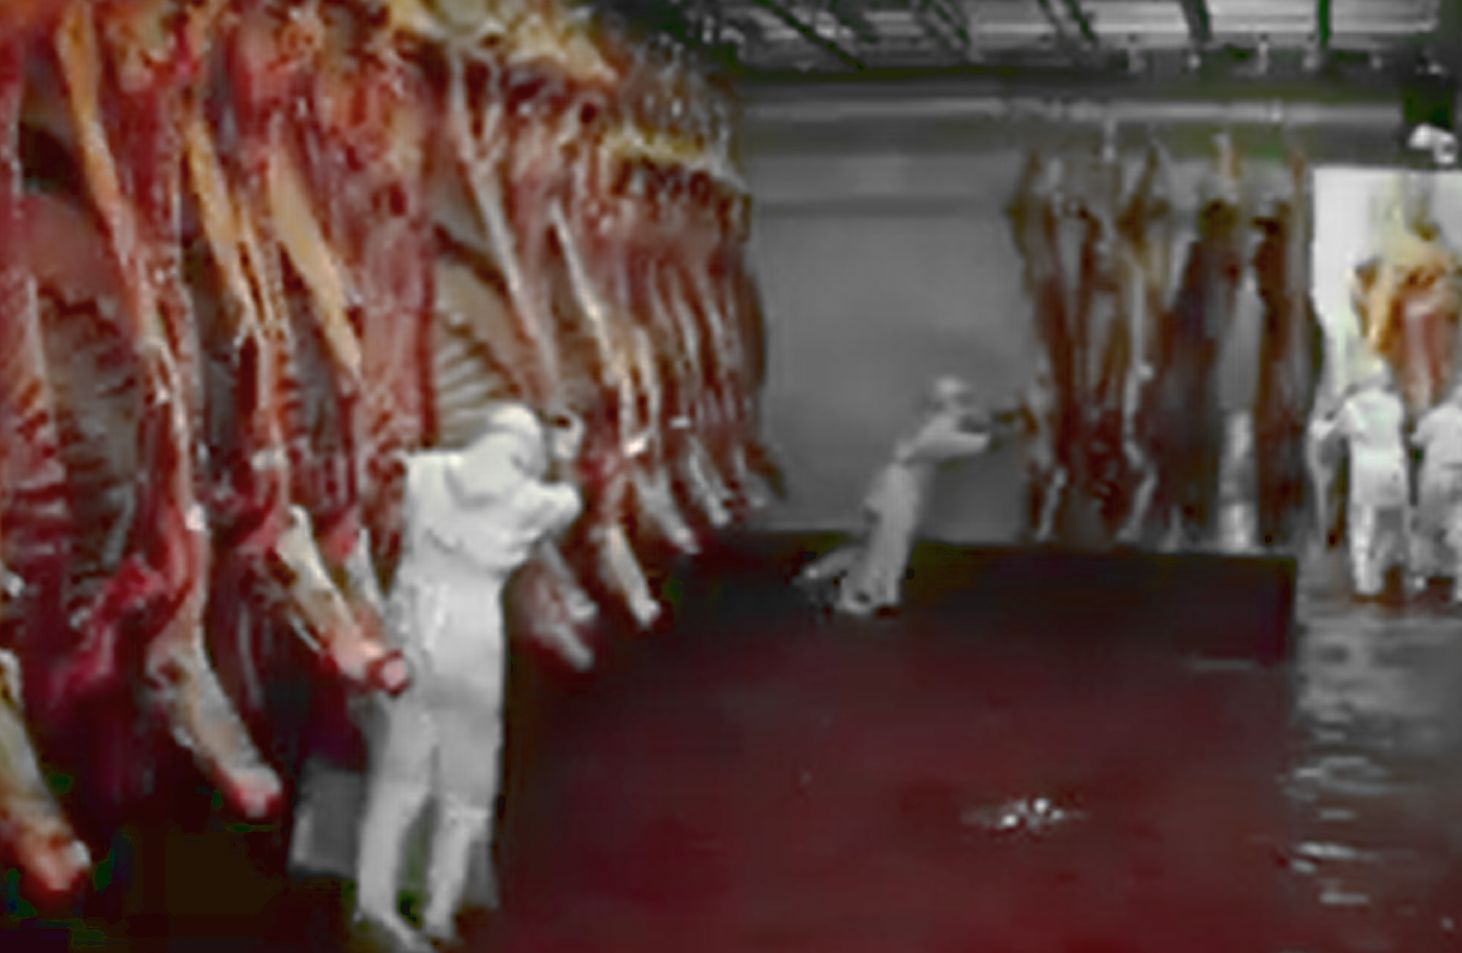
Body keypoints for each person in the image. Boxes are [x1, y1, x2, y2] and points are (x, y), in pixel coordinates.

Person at [353, 403, 584, 951]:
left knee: (399, 778)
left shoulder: (427, 473)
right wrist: (566, 454)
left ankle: (375, 903)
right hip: (475, 633)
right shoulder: (532, 501)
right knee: (467, 784)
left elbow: (378, 499)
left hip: (413, 622)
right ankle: (440, 908)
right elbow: (572, 501)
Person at [795, 376, 998, 618]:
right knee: (887, 545)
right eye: (962, 399)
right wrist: (1002, 425)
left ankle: (820, 576)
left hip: (891, 488)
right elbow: (977, 443)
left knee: (874, 543)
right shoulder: (938, 428)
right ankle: (859, 597)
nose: (967, 405)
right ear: (947, 402)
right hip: (896, 492)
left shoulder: (929, 423)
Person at [1312, 363, 1411, 600]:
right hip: (1395, 467)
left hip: (1366, 469)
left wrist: (1319, 424)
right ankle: (1383, 571)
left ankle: (1365, 582)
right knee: (1391, 525)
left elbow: (1332, 433)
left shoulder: (1353, 406)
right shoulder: (1395, 405)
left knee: (1362, 525)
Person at [1410, 386, 1462, 600]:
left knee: (1427, 526)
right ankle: (1456, 580)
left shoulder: (1435, 417)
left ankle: (1423, 575)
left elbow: (1417, 441)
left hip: (1437, 473)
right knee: (1457, 525)